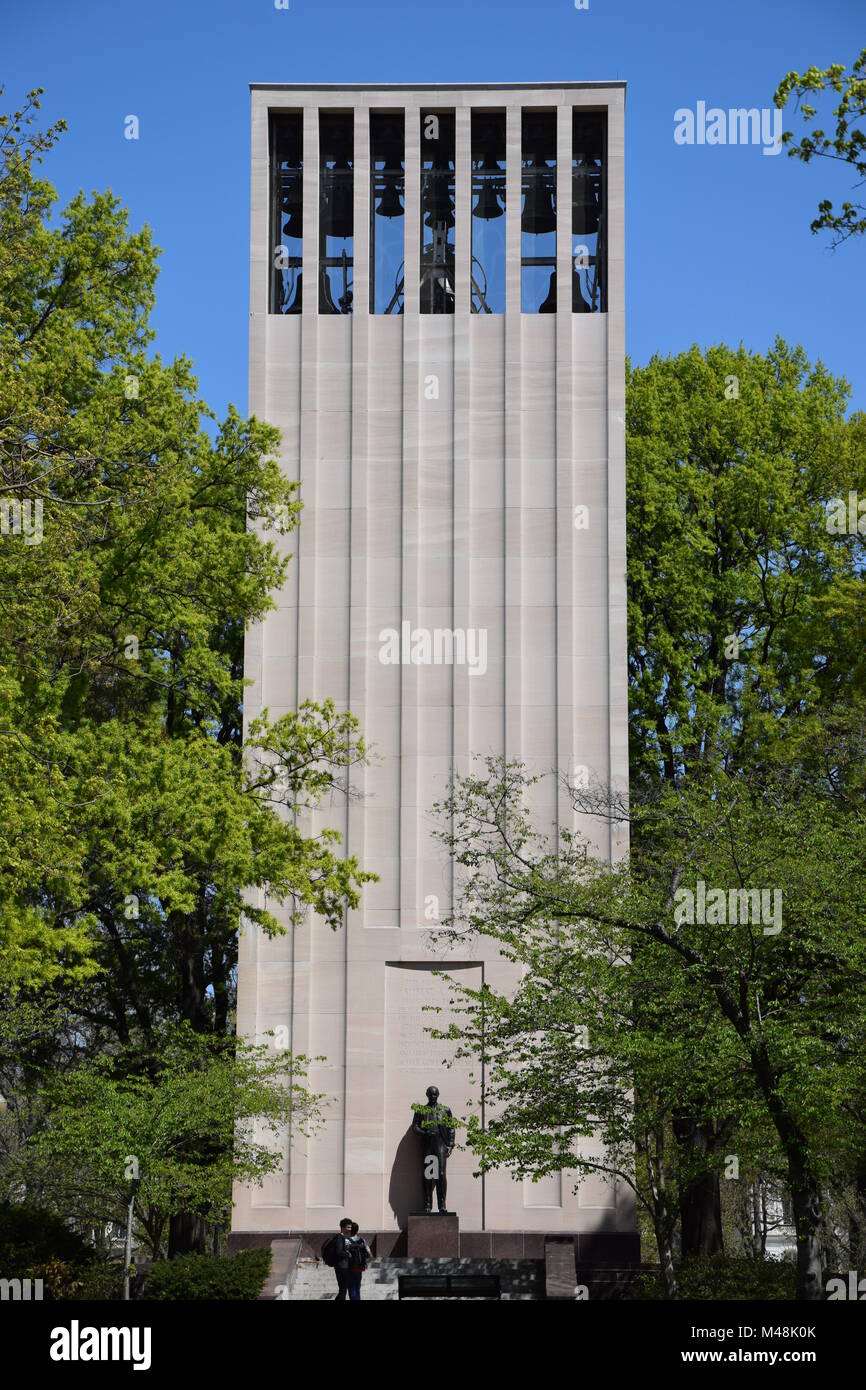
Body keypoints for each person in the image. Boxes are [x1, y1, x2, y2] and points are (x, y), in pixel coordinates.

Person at [345, 1222, 372, 1301]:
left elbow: (345, 1254)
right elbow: (370, 1255)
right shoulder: (362, 1240)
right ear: (357, 1231)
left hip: (350, 1268)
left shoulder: (347, 1241)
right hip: (360, 1268)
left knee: (351, 1288)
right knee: (357, 1288)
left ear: (350, 1231)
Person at [331, 1218, 354, 1300]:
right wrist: (348, 1254)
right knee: (343, 1290)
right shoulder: (340, 1238)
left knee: (343, 1290)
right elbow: (339, 1252)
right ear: (343, 1228)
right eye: (348, 1227)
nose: (350, 1229)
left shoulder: (342, 1237)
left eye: (350, 1227)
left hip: (343, 1266)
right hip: (341, 1267)